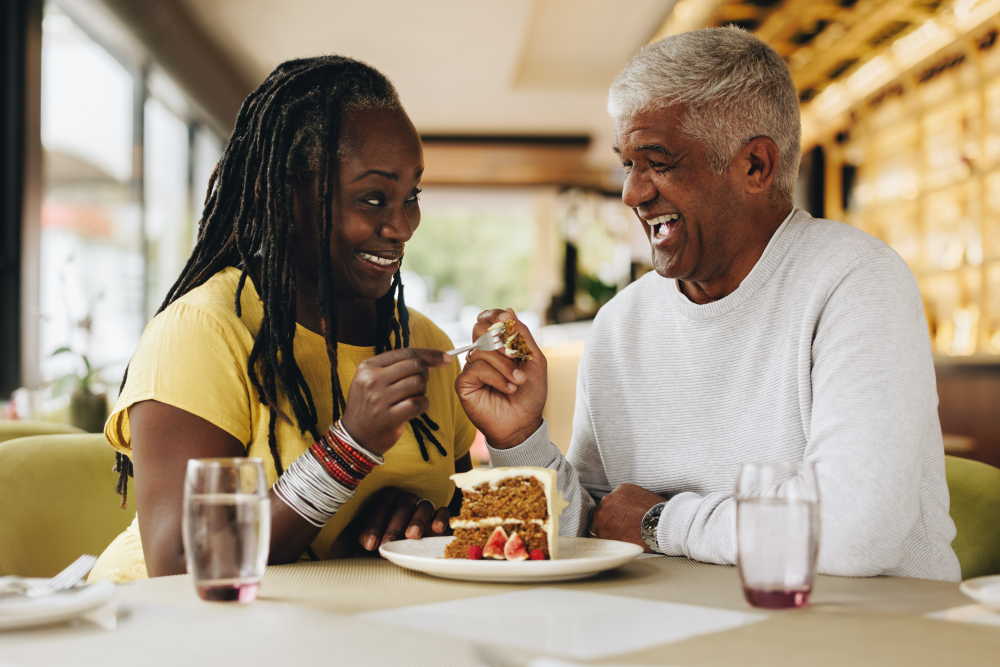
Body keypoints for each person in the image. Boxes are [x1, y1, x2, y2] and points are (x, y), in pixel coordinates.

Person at [456, 27, 961, 582]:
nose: (632, 193)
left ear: (755, 167)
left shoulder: (856, 282)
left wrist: (660, 522)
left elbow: (851, 534)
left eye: (659, 161)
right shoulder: (621, 325)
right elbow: (593, 527)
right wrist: (517, 440)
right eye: (628, 164)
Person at [89, 56, 476, 583]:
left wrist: (423, 522)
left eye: (411, 196)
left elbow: (465, 523)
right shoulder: (204, 331)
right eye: (373, 198)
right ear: (289, 195)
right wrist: (350, 448)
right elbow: (181, 564)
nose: (403, 225)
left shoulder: (424, 342)